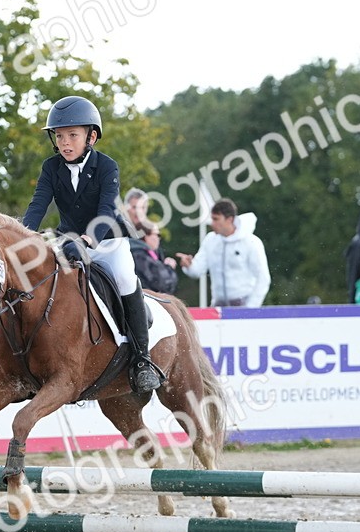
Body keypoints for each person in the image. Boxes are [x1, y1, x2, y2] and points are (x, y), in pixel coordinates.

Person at [20, 94, 161, 393]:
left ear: (91, 137)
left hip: (107, 240)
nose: (65, 143)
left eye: (72, 135)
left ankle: (142, 360)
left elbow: (107, 210)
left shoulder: (107, 166)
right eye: (59, 136)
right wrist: (23, 237)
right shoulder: (51, 167)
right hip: (68, 240)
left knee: (124, 278)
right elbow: (38, 205)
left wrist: (87, 239)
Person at [175, 197, 271, 308]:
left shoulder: (251, 242)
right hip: (217, 305)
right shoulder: (210, 240)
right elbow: (197, 271)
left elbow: (263, 278)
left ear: (229, 219)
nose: (212, 223)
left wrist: (251, 308)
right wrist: (188, 265)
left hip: (243, 304)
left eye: (216, 219)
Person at [129, 222, 178, 295]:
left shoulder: (142, 253)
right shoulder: (139, 255)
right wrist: (169, 268)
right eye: (158, 235)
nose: (159, 238)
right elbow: (161, 285)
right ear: (146, 236)